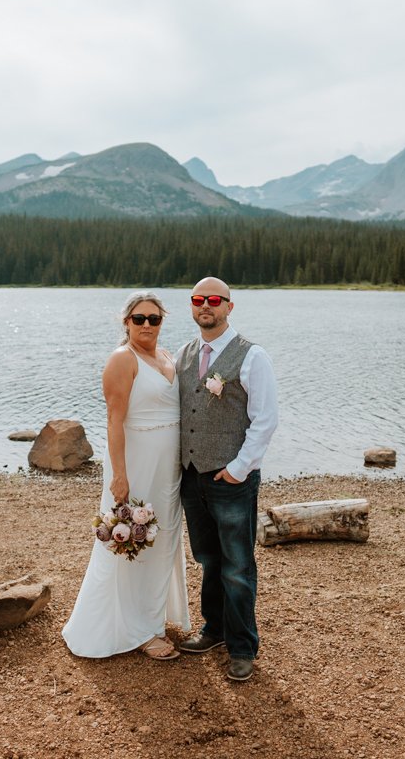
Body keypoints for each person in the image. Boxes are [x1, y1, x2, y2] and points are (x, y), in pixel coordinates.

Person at [62, 291, 191, 660]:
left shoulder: (167, 357)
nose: (147, 325)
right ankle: (139, 631)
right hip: (135, 464)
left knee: (162, 541)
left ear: (163, 321)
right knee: (130, 543)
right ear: (126, 322)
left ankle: (151, 616)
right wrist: (119, 476)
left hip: (168, 471)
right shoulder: (123, 359)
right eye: (139, 319)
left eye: (154, 318)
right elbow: (114, 421)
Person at [175, 277, 278, 682]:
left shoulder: (253, 356)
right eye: (199, 300)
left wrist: (239, 468)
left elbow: (266, 420)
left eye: (214, 300)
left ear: (229, 307)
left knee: (237, 565)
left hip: (231, 478)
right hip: (191, 477)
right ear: (192, 306)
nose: (206, 306)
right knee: (208, 559)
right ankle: (214, 630)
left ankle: (242, 647)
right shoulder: (184, 354)